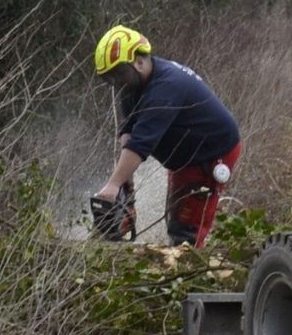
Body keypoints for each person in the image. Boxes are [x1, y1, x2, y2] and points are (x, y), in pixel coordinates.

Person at [92, 24, 242, 247]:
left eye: (119, 74)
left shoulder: (165, 88)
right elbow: (129, 132)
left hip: (209, 156)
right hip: (184, 159)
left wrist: (113, 185)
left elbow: (141, 144)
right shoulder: (132, 86)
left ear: (139, 61)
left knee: (185, 231)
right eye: (110, 78)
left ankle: (189, 271)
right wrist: (125, 184)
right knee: (175, 216)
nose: (116, 83)